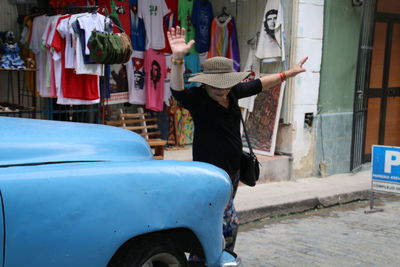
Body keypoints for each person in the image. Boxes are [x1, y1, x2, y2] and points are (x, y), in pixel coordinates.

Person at [167, 26, 307, 260]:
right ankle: (216, 258)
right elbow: (177, 89)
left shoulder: (232, 94)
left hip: (232, 171)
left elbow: (260, 84)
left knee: (215, 219)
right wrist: (178, 59)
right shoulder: (198, 99)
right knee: (228, 222)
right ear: (205, 83)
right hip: (210, 174)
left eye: (226, 86)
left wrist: (289, 73)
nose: (222, 92)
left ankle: (207, 258)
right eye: (216, 87)